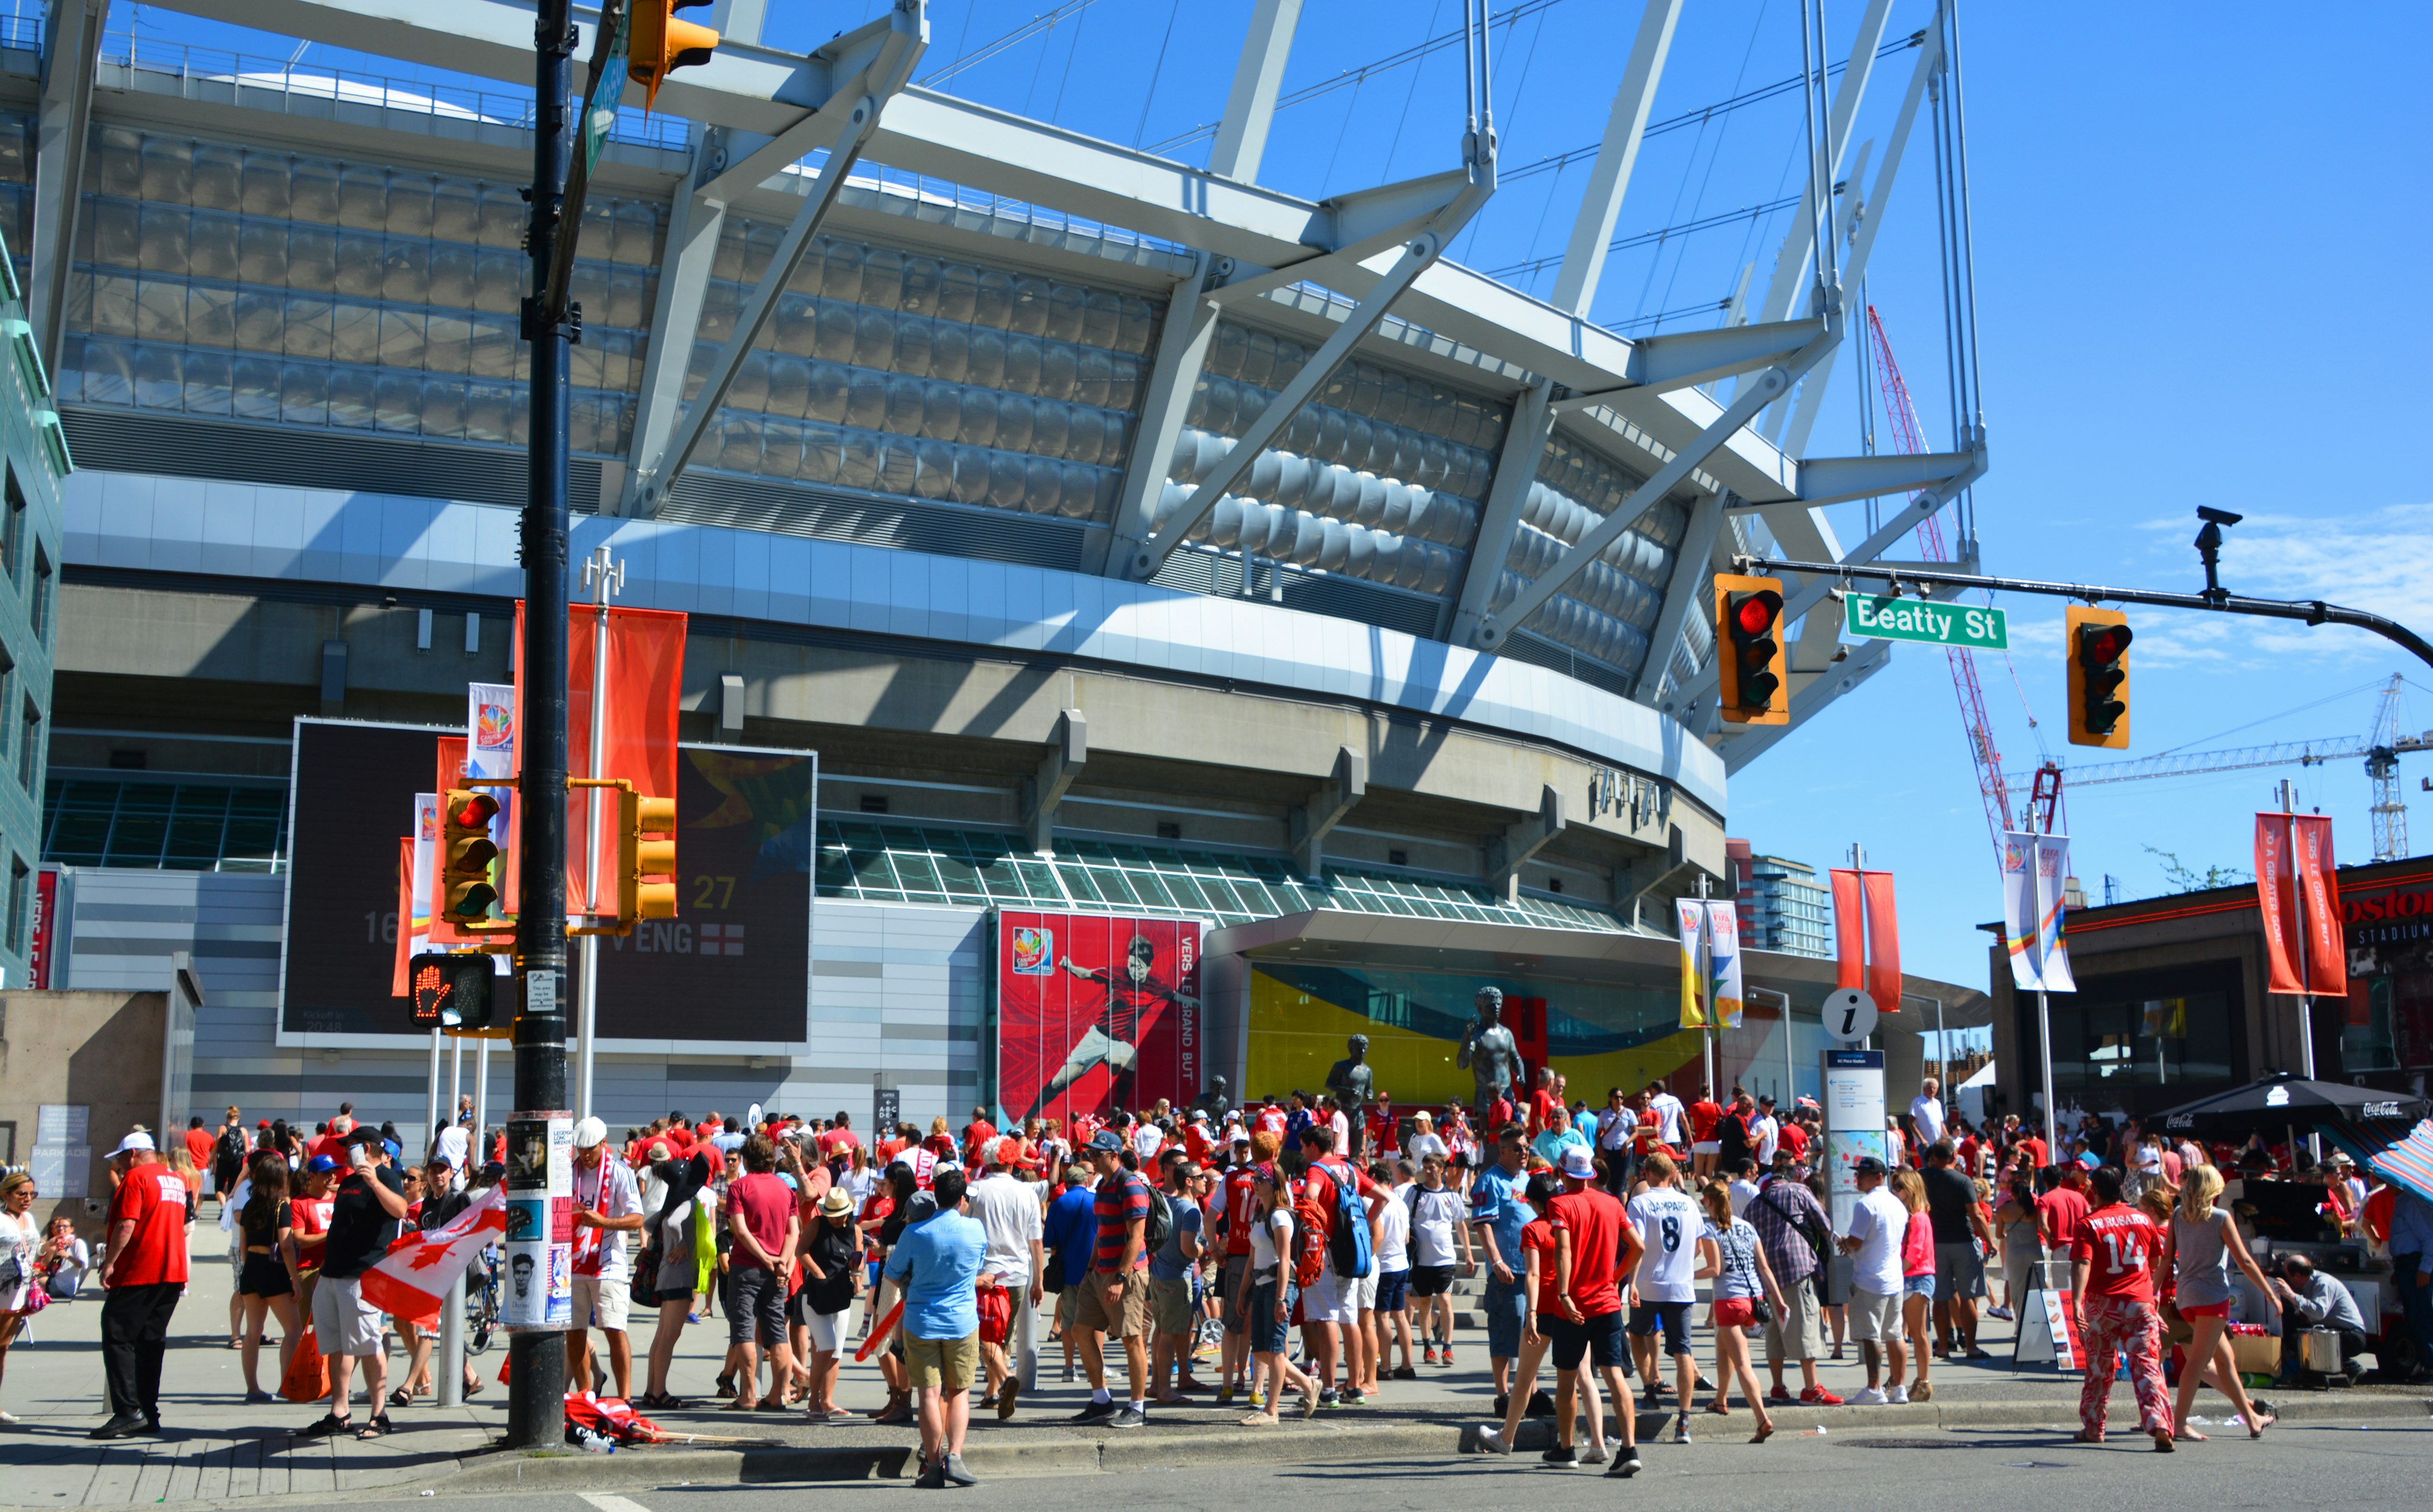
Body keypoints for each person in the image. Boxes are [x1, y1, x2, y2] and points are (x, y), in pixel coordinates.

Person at [1474, 1171, 1604, 1463]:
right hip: (1572, 1305)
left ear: (1532, 1202)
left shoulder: (1533, 1229)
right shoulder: (1567, 1224)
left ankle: (1507, 1437)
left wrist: (1531, 1313)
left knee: (1524, 1378)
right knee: (1584, 1377)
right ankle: (1597, 1442)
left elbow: (1533, 1274)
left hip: (1545, 1306)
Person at [300, 1128, 410, 1440]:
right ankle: (340, 1411)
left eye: (351, 1146)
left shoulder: (386, 1177)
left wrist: (374, 1180)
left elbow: (400, 1210)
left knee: (369, 1344)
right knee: (336, 1346)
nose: (347, 1152)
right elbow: (339, 1226)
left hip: (362, 1276)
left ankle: (379, 1414)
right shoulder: (348, 1182)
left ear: (366, 1148)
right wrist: (324, 1267)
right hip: (334, 1273)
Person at [887, 1166, 987, 1488]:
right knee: (959, 1392)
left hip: (922, 1320)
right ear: (961, 1199)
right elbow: (978, 1266)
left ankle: (933, 1465)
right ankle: (955, 1457)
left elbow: (892, 1274)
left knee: (928, 1395)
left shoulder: (915, 1233)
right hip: (961, 1321)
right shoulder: (975, 1230)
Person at [1026, 936, 1197, 1121]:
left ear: (1149, 967)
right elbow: (1086, 974)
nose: (1133, 970)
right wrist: (1070, 967)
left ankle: (1117, 1116)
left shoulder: (1157, 987)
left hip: (1120, 1044)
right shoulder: (1116, 974)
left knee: (1132, 1058)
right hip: (1097, 1037)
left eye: (1138, 967)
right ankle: (1027, 1118)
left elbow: (1181, 998)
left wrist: (1203, 1003)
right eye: (1131, 965)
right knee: (1060, 1081)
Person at [2164, 1164, 2277, 1441]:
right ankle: (2179, 1424)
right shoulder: (2220, 1217)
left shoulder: (2179, 1215)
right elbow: (2245, 1261)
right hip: (2212, 1297)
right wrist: (2270, 1293)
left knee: (2225, 1361)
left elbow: (2167, 1259)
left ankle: (2252, 1419)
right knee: (2197, 1363)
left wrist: (2153, 1293)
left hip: (2186, 1297)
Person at [2067, 1166, 2175, 1450]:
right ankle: (2160, 1423)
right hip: (2139, 1301)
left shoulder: (2088, 1224)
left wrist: (2076, 1300)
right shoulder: (2142, 1219)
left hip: (2102, 1303)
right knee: (2148, 1365)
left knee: (2099, 1368)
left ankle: (2094, 1427)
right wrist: (2153, 1298)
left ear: (2095, 1190)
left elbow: (2082, 1263)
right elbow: (2154, 1263)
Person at [90, 1133, 189, 1439]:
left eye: (120, 1158)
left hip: (141, 1269)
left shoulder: (135, 1178)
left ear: (133, 1154)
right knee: (150, 1341)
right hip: (171, 1270)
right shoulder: (174, 1178)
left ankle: (128, 1412)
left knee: (117, 1332)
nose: (118, 1165)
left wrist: (109, 1263)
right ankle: (148, 1411)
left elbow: (126, 1224)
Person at [1549, 1146, 1641, 1472]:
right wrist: (1615, 1279)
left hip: (1574, 1304)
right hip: (1607, 1302)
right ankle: (1629, 1450)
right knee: (1615, 1375)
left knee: (1567, 1378)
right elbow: (1638, 1246)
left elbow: (1563, 1248)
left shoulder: (1559, 1203)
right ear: (1589, 1173)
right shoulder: (1612, 1203)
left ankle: (1566, 1448)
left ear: (1562, 1173)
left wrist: (1563, 1292)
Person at [1071, 1130, 1154, 1428]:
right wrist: (1091, 1269)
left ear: (1114, 1155)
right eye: (1091, 1153)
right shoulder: (1103, 1185)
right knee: (1081, 1330)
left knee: (1132, 1339)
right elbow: (1103, 1232)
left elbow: (1137, 1236)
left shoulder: (1129, 1185)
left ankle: (1137, 1407)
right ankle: (1102, 1400)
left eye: (1098, 1154)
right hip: (1101, 1272)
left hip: (1125, 1274)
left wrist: (1120, 1276)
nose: (1092, 1158)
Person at [1695, 1176, 1785, 1441]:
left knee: (1743, 1362)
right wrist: (1778, 1301)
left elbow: (1715, 1269)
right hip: (1753, 1298)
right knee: (1724, 1347)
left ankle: (1762, 1419)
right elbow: (1764, 1268)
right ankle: (1721, 1399)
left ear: (1709, 1202)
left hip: (1729, 1300)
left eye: (1703, 1201)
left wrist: (1685, 1276)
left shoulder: (1710, 1229)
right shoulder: (1747, 1227)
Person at [1747, 1161, 1840, 1406]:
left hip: (1766, 1272)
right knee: (1805, 1326)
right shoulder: (1799, 1191)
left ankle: (1778, 1386)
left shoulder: (1755, 1203)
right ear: (1791, 1178)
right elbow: (1825, 1225)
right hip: (1796, 1267)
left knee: (1775, 1332)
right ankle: (1812, 1388)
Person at [966, 1140, 1046, 1419]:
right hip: (1018, 1274)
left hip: (984, 1273)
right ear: (1013, 1162)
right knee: (1001, 1337)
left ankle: (1004, 1379)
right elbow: (1036, 1241)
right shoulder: (1027, 1193)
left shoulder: (976, 1189)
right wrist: (1039, 1279)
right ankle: (992, 1392)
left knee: (983, 1336)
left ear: (987, 1162)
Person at [568, 1117, 644, 1401]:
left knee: (614, 1329)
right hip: (573, 1262)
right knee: (574, 1333)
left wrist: (604, 1222)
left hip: (608, 1262)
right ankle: (584, 1395)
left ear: (603, 1143)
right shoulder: (569, 1171)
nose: (585, 1154)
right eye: (581, 1149)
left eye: (590, 1148)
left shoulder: (620, 1172)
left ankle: (624, 1399)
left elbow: (637, 1219)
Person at [1235, 1160, 1317, 1423]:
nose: (1254, 1183)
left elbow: (1285, 1260)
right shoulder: (1259, 1216)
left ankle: (1272, 1411)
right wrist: (1242, 1293)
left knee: (1275, 1351)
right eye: (1254, 1179)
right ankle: (1308, 1383)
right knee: (1260, 1351)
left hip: (1279, 1287)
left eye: (1260, 1179)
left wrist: (1281, 1298)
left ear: (1274, 1185)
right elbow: (1252, 1259)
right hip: (1260, 1287)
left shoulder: (1281, 1216)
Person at [724, 1134, 802, 1413]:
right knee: (776, 1329)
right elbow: (794, 1232)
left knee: (743, 1329)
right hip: (778, 1268)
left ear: (745, 1160)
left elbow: (741, 1231)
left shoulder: (739, 1187)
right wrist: (781, 1260)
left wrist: (767, 1259)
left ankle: (748, 1394)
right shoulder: (786, 1190)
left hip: (747, 1266)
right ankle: (776, 1394)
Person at [1626, 1151, 1701, 1440]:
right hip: (1681, 1285)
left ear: (1647, 1173)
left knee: (1638, 1333)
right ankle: (1684, 1419)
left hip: (1649, 1283)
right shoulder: (1688, 1203)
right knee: (1683, 1350)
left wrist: (1631, 1282)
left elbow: (1638, 1245)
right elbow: (1696, 1247)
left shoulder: (1640, 1203)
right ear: (1672, 1174)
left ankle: (1649, 1390)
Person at [1468, 1127, 1535, 1408]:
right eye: (1518, 1148)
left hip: (1531, 1270)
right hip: (1507, 1272)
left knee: (1531, 1335)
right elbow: (1483, 1224)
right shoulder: (1490, 1181)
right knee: (1506, 1337)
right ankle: (1504, 1395)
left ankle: (1530, 1394)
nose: (1524, 1153)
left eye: (1527, 1147)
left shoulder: (1526, 1178)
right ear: (1503, 1151)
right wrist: (1496, 1261)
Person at [640, 1153, 710, 1411]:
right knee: (669, 1337)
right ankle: (659, 1392)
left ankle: (651, 1390)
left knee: (661, 1337)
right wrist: (681, 1244)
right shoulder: (688, 1203)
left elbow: (650, 1224)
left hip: (665, 1274)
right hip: (679, 1275)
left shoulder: (670, 1203)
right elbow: (672, 1223)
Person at [1836, 1156, 1906, 1406]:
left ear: (1879, 1177)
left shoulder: (1866, 1205)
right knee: (1894, 1334)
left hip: (1870, 1279)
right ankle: (1899, 1387)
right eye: (1858, 1174)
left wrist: (1845, 1244)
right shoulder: (1898, 1204)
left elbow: (1855, 1242)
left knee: (1872, 1336)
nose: (1858, 1178)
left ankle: (1875, 1388)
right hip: (1894, 1278)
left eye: (1863, 1174)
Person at [233, 1152, 302, 1403]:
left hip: (251, 1267)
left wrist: (246, 1268)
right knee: (293, 1330)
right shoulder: (282, 1206)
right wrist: (294, 1278)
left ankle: (252, 1389)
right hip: (274, 1270)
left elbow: (243, 1244)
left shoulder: (250, 1206)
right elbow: (285, 1245)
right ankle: (286, 1385)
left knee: (253, 1331)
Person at [798, 1187, 864, 1421]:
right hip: (816, 1294)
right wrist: (817, 1272)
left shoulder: (855, 1230)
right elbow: (800, 1251)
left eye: (840, 1214)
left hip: (840, 1295)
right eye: (832, 1214)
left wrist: (858, 1268)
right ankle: (813, 1402)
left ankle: (826, 1400)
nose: (835, 1219)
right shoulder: (817, 1224)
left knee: (835, 1352)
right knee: (825, 1346)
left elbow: (858, 1262)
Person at [1147, 1158, 1206, 1404]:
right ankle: (1164, 1391)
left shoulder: (1169, 1203)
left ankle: (1156, 1386)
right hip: (1176, 1280)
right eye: (1201, 1177)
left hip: (1159, 1275)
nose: (1206, 1180)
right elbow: (1187, 1248)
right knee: (1170, 1335)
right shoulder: (1190, 1210)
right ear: (1189, 1182)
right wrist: (1204, 1250)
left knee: (1161, 1331)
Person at [1405, 1153, 1472, 1368]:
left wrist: (1469, 1253)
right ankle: (1427, 1346)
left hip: (1445, 1258)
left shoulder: (1451, 1196)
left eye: (1433, 1167)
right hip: (1421, 1260)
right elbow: (1403, 1219)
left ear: (1442, 1169)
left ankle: (1448, 1347)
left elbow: (1461, 1225)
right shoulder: (1414, 1193)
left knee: (1445, 1301)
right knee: (1424, 1304)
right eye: (1426, 1167)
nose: (1429, 1171)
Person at [2269, 1252, 2366, 1383]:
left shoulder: (2323, 1283)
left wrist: (2291, 1295)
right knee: (2295, 1338)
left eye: (2287, 1276)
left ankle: (2350, 1366)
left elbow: (2319, 1313)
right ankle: (2314, 1372)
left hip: (2351, 1336)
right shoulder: (2309, 1284)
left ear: (2297, 1275)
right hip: (2335, 1332)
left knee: (2302, 1342)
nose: (2287, 1280)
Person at [1888, 1169, 1936, 1403]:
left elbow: (1915, 1252)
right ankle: (1908, 1380)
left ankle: (1922, 1382)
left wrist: (1896, 1272)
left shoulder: (1918, 1218)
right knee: (1907, 1332)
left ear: (1911, 1190)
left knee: (1917, 1333)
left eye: (1899, 1187)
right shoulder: (1913, 1216)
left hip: (1916, 1277)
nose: (1894, 1190)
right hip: (1912, 1277)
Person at [0, 1172, 39, 1426]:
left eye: (32, 1194)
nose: (27, 1199)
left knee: (2, 1350)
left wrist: (50, 1250)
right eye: (21, 1194)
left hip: (18, 1295)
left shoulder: (29, 1218)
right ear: (5, 1195)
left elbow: (33, 1250)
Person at [1370, 1159, 1415, 1382]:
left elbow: (1375, 1234)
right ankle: (1407, 1364)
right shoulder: (1400, 1202)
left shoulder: (1379, 1202)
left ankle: (1386, 1366)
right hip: (1401, 1263)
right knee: (1400, 1316)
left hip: (1385, 1265)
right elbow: (1407, 1238)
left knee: (1382, 1317)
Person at [2387, 1179, 2433, 1383]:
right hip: (2407, 1265)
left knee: (2420, 1315)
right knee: (2413, 1317)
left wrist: (2425, 1268)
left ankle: (2431, 1366)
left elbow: (2429, 1239)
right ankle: (2424, 1363)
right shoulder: (2402, 1201)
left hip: (2415, 1264)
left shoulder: (2412, 1203)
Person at [1990, 1176, 2040, 1323]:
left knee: (2017, 1290)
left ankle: (2020, 1324)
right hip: (2035, 1250)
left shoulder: (2004, 1210)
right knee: (2036, 1288)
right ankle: (2036, 1322)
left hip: (2015, 1252)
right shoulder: (2034, 1209)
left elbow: (1999, 1235)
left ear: (2013, 1194)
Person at [1911, 1077, 1946, 1148]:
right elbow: (1911, 1122)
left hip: (1938, 1143)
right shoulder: (1918, 1102)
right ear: (1924, 1089)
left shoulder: (1937, 1103)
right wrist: (1922, 1139)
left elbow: (1941, 1124)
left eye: (1934, 1088)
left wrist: (1948, 1139)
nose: (1932, 1090)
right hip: (1925, 1144)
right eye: (1930, 1088)